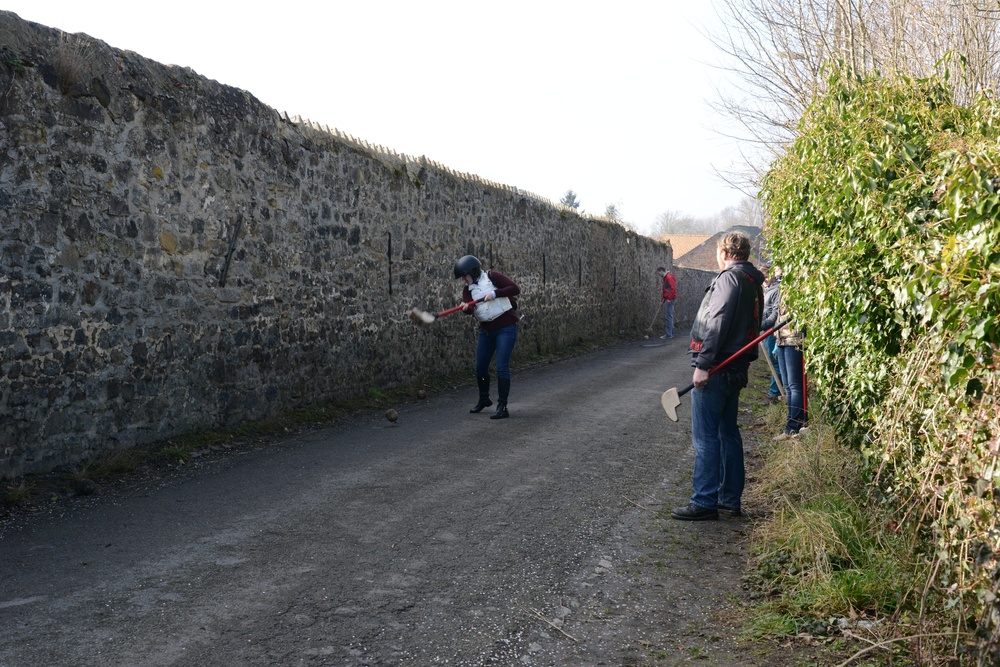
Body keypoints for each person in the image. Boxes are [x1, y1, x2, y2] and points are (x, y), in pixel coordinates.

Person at [672, 232, 764, 521]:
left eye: (716, 253)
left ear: (724, 254)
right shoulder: (753, 283)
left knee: (706, 437)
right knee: (728, 433)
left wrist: (703, 364)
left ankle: (704, 501)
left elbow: (717, 323)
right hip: (736, 369)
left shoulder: (728, 279)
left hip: (718, 368)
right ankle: (728, 498)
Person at [454, 255, 521, 420]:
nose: (463, 278)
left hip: (505, 328)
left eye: (464, 275)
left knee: (501, 367)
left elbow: (515, 289)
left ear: (473, 272)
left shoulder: (492, 276)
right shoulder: (467, 290)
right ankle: (484, 399)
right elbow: (471, 309)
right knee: (480, 367)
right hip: (486, 331)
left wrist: (495, 293)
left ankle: (502, 406)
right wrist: (465, 308)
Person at [761, 274, 808, 439]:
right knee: (788, 386)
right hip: (781, 339)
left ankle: (793, 427)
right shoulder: (783, 288)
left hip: (794, 339)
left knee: (794, 386)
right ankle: (797, 423)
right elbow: (776, 315)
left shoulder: (801, 287)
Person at [761, 266, 783, 403]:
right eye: (764, 277)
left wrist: (761, 325)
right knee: (773, 360)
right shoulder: (767, 289)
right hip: (767, 329)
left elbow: (775, 313)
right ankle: (774, 391)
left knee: (775, 361)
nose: (766, 279)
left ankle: (774, 393)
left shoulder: (776, 290)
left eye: (769, 276)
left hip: (772, 330)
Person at [656, 267, 677, 339]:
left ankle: (669, 334)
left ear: (662, 271)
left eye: (659, 273)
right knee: (669, 316)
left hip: (670, 299)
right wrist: (662, 301)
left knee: (669, 317)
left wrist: (670, 298)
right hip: (668, 298)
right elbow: (666, 290)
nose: (659, 275)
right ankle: (671, 333)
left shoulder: (669, 277)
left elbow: (673, 288)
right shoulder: (666, 277)